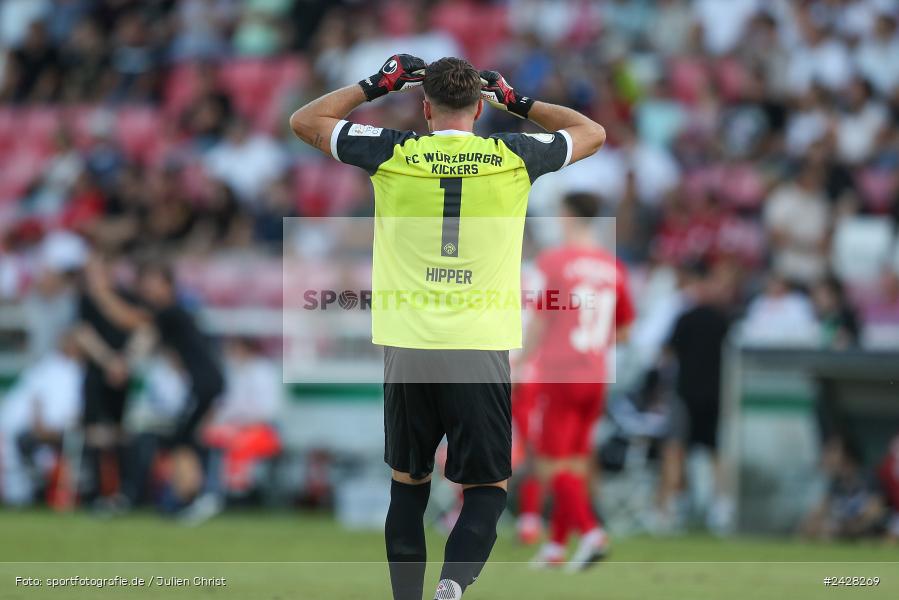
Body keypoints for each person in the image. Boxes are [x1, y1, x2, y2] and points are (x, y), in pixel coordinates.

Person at [290, 54, 605, 600]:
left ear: (425, 107)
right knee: (486, 488)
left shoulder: (393, 152)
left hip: (408, 344)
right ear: (479, 109)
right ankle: (452, 587)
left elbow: (305, 121)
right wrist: (518, 101)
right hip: (480, 345)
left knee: (408, 486)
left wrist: (376, 85)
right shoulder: (513, 155)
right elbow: (591, 132)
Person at [520, 192, 635, 570]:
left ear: (567, 216)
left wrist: (519, 362)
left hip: (560, 373)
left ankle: (591, 533)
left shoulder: (554, 262)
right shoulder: (612, 266)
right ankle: (556, 548)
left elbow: (539, 321)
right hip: (595, 375)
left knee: (551, 465)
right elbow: (625, 331)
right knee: (574, 463)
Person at [84, 259, 225, 515]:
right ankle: (190, 498)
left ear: (168, 285)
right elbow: (144, 339)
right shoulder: (171, 314)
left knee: (182, 440)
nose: (147, 288)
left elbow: (129, 320)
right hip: (204, 384)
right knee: (182, 439)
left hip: (205, 384)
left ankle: (196, 497)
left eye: (154, 282)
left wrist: (101, 293)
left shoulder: (170, 311)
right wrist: (125, 363)